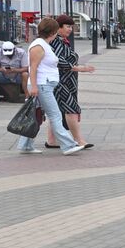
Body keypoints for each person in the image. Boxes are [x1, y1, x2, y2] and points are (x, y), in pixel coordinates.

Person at [15, 18, 84, 155]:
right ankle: (68, 145)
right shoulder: (39, 46)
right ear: (52, 32)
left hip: (44, 85)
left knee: (36, 116)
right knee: (55, 115)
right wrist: (34, 86)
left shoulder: (44, 44)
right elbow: (33, 68)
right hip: (42, 85)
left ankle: (25, 145)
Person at [45, 16, 95, 149]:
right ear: (58, 27)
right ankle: (79, 140)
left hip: (66, 81)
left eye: (71, 27)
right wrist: (79, 68)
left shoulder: (62, 41)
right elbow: (57, 60)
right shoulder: (56, 42)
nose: (70, 30)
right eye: (67, 26)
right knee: (71, 109)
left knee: (57, 111)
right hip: (61, 82)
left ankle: (51, 140)